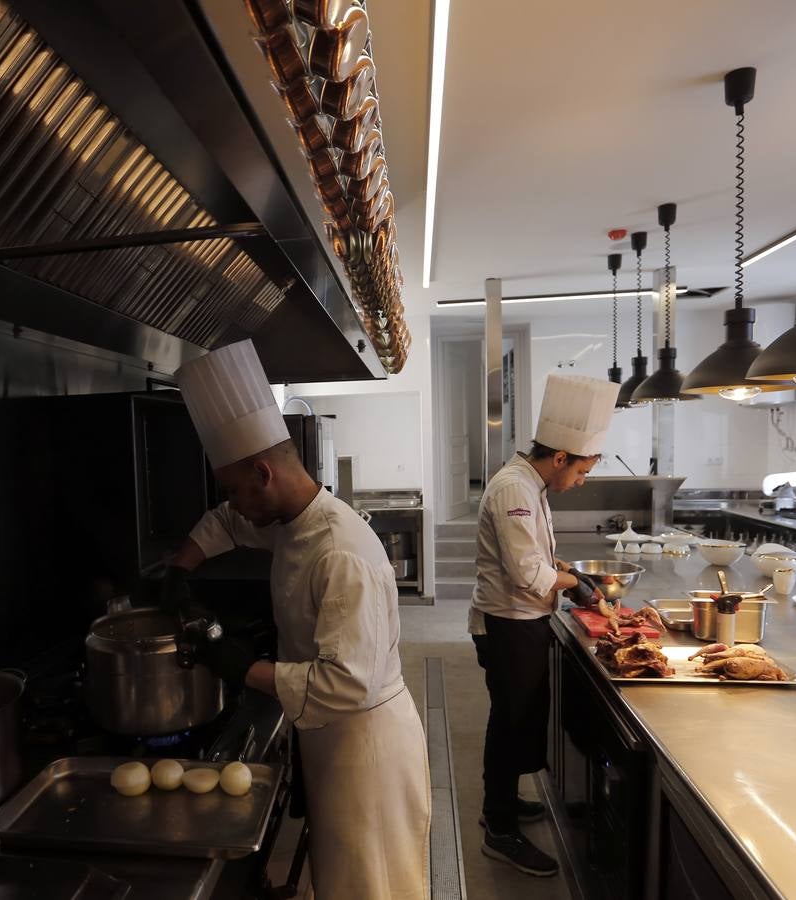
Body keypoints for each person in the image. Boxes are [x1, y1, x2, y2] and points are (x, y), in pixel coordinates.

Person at [162, 340, 429, 900]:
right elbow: (230, 525)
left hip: (366, 746)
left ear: (263, 472)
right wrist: (179, 568)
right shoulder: (291, 519)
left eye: (236, 489)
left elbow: (344, 682)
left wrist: (243, 667)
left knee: (372, 884)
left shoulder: (340, 552)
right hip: (333, 737)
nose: (232, 503)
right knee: (341, 878)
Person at [468, 373, 620, 877]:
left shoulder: (530, 484)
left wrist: (570, 576)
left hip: (523, 622)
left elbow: (537, 557)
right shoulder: (514, 488)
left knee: (519, 718)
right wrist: (574, 582)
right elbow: (528, 572)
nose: (581, 481)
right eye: (581, 472)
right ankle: (499, 827)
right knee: (510, 723)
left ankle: (505, 801)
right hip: (509, 625)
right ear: (560, 458)